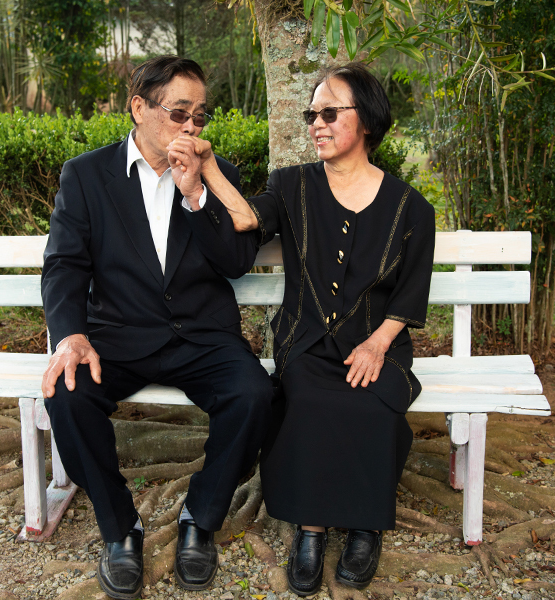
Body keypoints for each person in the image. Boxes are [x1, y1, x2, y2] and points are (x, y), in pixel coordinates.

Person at [168, 62, 435, 596]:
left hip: (376, 340)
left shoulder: (411, 208)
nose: (317, 124)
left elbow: (409, 296)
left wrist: (378, 344)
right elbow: (246, 219)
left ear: (366, 120)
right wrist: (208, 168)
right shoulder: (291, 185)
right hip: (306, 340)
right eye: (312, 114)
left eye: (329, 113)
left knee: (373, 400)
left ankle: (364, 528)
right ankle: (310, 529)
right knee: (307, 398)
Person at [40, 55, 273, 600]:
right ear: (139, 108)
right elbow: (65, 265)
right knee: (67, 393)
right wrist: (70, 336)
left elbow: (237, 261)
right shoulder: (87, 174)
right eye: (179, 113)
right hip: (117, 337)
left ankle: (201, 518)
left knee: (254, 394)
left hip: (202, 337)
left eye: (200, 115)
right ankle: (120, 527)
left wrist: (196, 195)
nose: (191, 126)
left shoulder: (217, 172)